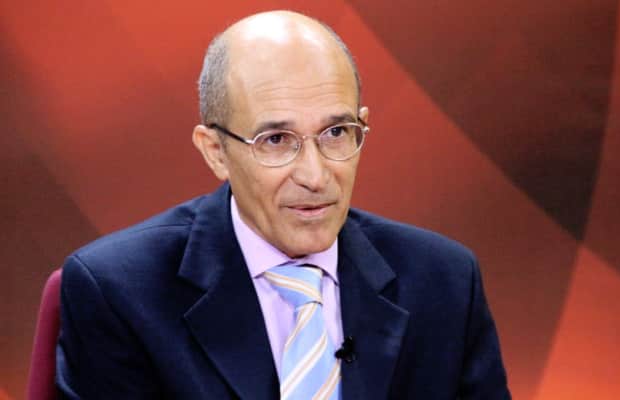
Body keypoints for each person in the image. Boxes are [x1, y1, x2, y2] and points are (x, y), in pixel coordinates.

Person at [56, 10, 510, 400]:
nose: (315, 176)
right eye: (276, 140)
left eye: (336, 133)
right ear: (215, 151)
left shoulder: (445, 282)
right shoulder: (120, 293)